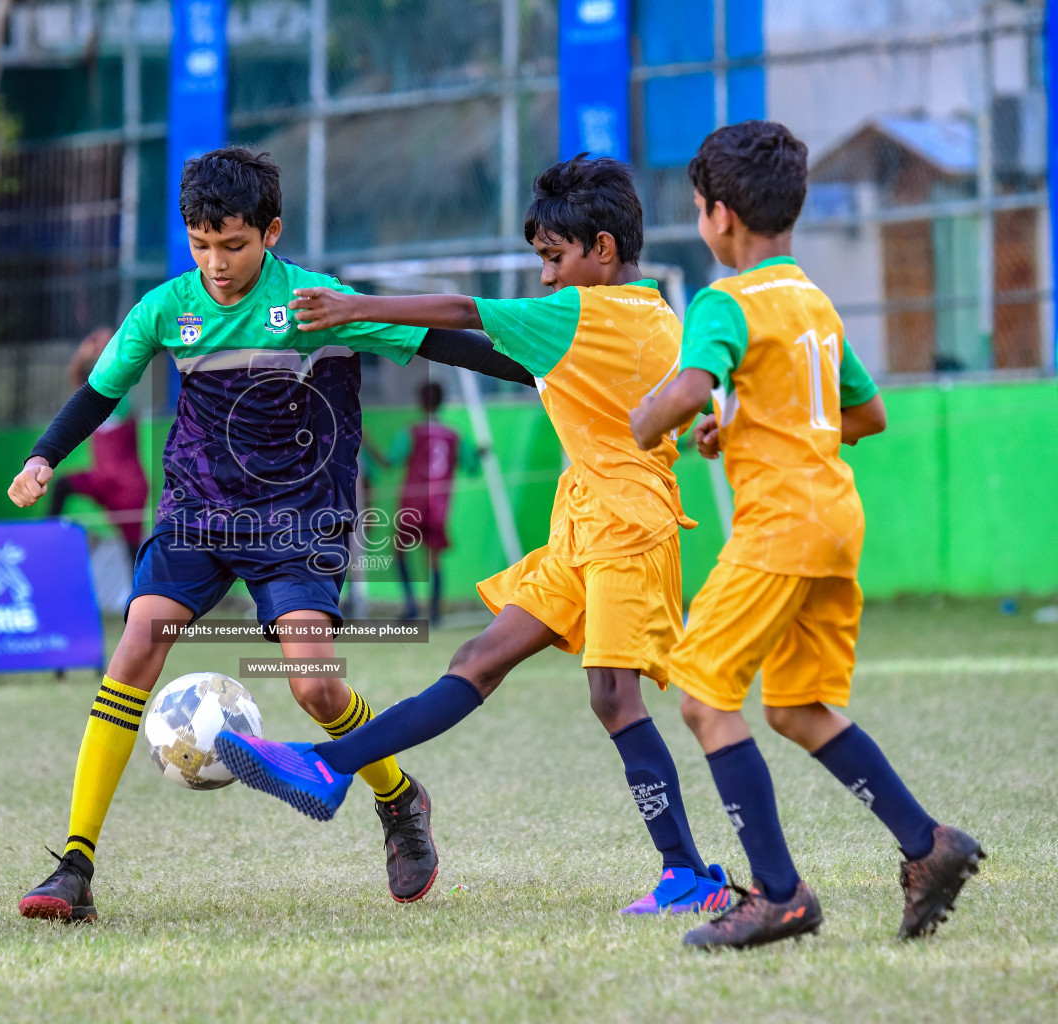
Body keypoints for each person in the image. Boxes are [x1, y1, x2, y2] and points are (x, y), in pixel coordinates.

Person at [6, 147, 536, 921]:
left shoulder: (322, 303)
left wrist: (547, 373)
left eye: (233, 245)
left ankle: (397, 799)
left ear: (272, 232)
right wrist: (44, 456)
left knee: (315, 686)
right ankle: (75, 866)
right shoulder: (165, 309)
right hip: (199, 509)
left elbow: (443, 345)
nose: (216, 264)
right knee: (139, 640)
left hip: (298, 516)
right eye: (200, 244)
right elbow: (98, 393)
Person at [214, 156, 731, 916]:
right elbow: (503, 357)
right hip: (587, 521)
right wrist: (387, 329)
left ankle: (686, 873)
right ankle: (327, 769)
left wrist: (357, 305)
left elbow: (462, 312)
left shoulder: (583, 314)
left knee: (614, 697)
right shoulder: (648, 316)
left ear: (604, 249)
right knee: (479, 658)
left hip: (627, 527)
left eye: (555, 259)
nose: (546, 276)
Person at [627, 120, 983, 949]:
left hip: (782, 522)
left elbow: (685, 392)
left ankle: (778, 894)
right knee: (795, 707)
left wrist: (647, 422)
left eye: (698, 209)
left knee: (705, 695)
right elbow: (866, 412)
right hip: (833, 519)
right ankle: (928, 844)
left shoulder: (725, 302)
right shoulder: (811, 301)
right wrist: (742, 424)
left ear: (718, 216)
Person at [45, 327, 149, 561]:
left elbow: (116, 369)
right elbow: (77, 382)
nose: (98, 346)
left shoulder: (120, 390)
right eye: (96, 341)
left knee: (133, 554)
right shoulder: (95, 398)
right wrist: (81, 355)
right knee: (62, 485)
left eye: (105, 342)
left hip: (127, 487)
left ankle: (144, 595)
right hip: (102, 479)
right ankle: (47, 534)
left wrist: (103, 350)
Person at [385, 381, 478, 624]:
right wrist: (480, 455)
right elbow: (471, 468)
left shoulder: (412, 430)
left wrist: (368, 443)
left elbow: (390, 461)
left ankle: (411, 607)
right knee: (434, 558)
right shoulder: (455, 434)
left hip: (412, 501)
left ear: (420, 402)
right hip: (439, 503)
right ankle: (435, 613)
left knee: (400, 551)